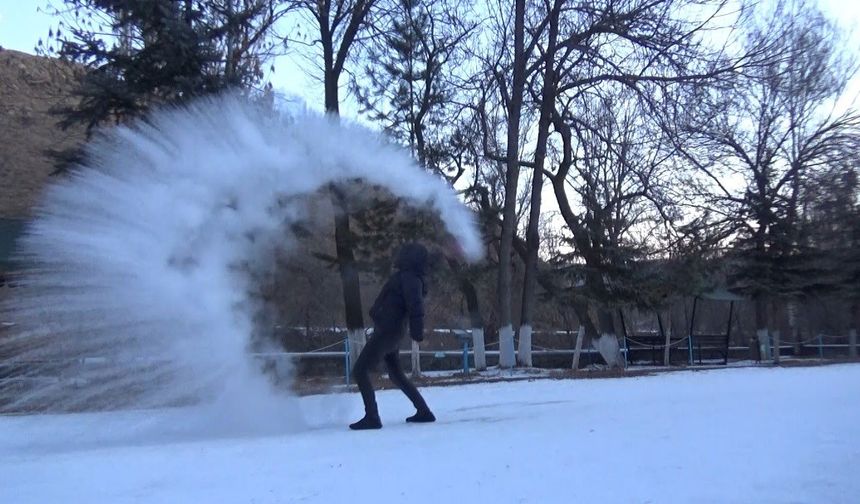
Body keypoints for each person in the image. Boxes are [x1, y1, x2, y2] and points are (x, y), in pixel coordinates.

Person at [349, 242, 436, 430]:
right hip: (390, 330)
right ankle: (424, 411)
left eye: (404, 252)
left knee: (360, 370)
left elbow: (416, 308)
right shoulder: (407, 277)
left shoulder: (410, 278)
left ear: (410, 257)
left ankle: (372, 417)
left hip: (388, 331)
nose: (399, 254)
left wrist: (417, 333)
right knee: (396, 375)